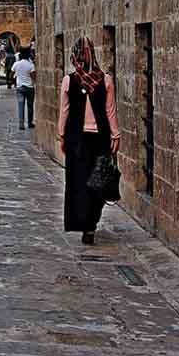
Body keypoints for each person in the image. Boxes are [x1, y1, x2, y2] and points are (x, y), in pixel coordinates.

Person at [58, 37, 121, 246]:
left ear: (75, 56)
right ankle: (91, 224)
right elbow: (110, 110)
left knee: (78, 183)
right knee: (97, 182)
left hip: (76, 139)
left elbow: (64, 112)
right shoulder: (105, 80)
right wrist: (115, 134)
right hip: (100, 139)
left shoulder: (69, 80)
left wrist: (61, 136)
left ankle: (84, 223)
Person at [11, 47, 35, 130]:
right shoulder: (31, 65)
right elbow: (33, 77)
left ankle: (21, 124)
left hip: (20, 87)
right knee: (30, 106)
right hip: (29, 87)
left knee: (20, 106)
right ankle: (30, 123)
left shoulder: (16, 64)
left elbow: (13, 72)